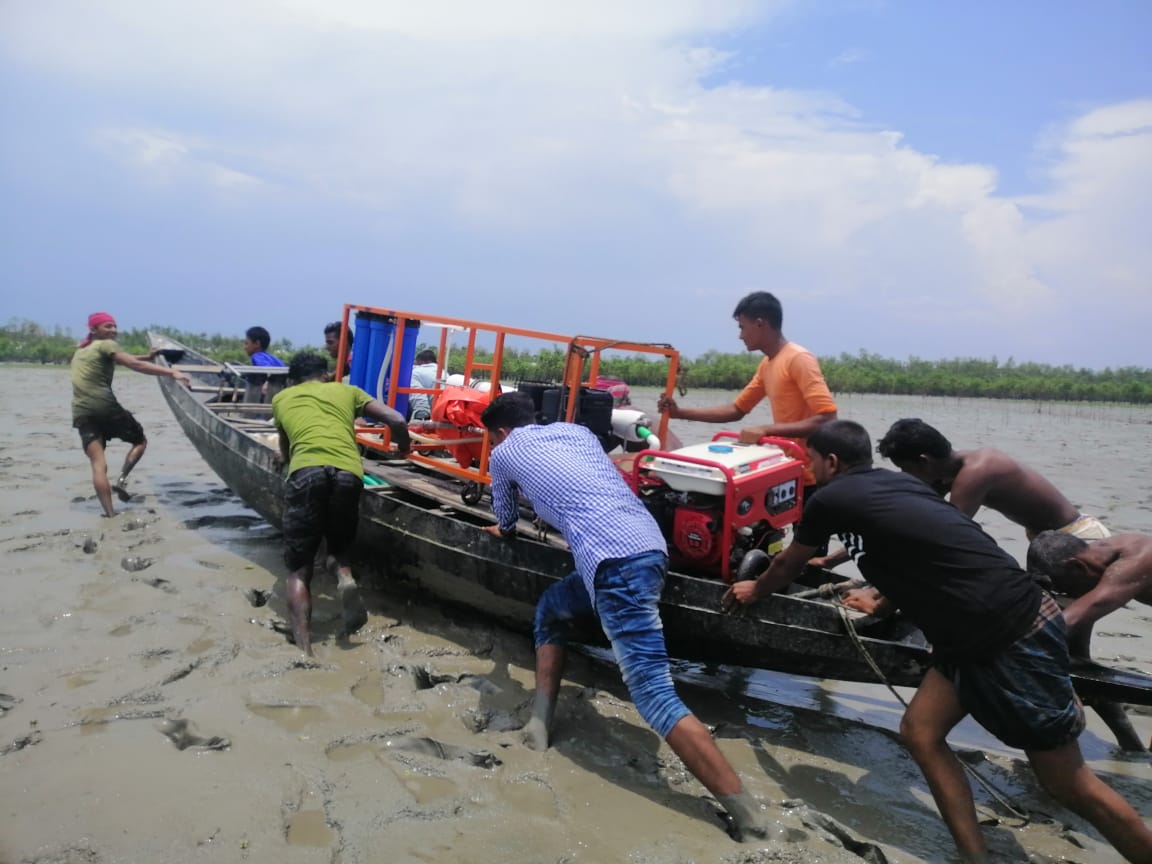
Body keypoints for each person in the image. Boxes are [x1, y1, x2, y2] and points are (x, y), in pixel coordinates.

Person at [725, 420, 1152, 863]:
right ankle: (973, 856)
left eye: (811, 461)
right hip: (967, 636)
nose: (809, 470)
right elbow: (922, 552)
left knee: (1069, 783)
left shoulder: (831, 499)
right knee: (920, 733)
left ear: (831, 462)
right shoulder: (899, 489)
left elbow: (789, 565)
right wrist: (884, 606)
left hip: (1010, 629)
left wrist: (753, 590)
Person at [480, 392, 771, 842]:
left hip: (615, 565)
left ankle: (750, 817)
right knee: (552, 611)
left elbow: (504, 518)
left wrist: (503, 523)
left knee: (654, 695)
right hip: (650, 547)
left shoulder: (503, 454)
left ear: (500, 432)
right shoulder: (576, 432)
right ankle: (538, 724)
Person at [271, 351, 410, 656]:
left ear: (293, 380)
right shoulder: (346, 390)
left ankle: (305, 649)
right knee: (338, 549)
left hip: (306, 472)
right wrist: (404, 446)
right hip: (348, 474)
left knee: (299, 568)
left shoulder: (282, 398)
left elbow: (286, 443)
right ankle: (344, 577)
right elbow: (396, 418)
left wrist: (284, 459)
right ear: (326, 374)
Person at [656, 291, 837, 495]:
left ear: (760, 324)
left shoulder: (798, 359)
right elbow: (736, 409)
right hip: (790, 469)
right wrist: (680, 413)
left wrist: (766, 430)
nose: (740, 336)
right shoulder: (767, 364)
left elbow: (827, 419)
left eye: (742, 327)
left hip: (813, 474)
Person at [876, 418, 1109, 540]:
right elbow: (912, 517)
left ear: (924, 461)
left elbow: (942, 532)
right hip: (1042, 538)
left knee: (1066, 622)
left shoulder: (977, 472)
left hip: (1075, 536)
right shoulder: (945, 474)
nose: (905, 477)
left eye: (905, 469)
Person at [71, 312, 191, 517]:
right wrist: (172, 372)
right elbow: (135, 365)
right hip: (105, 407)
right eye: (108, 326)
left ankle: (110, 514)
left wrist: (147, 356)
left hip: (81, 412)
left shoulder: (81, 350)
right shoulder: (106, 345)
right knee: (140, 440)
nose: (114, 330)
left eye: (115, 326)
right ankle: (122, 480)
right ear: (94, 330)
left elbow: (125, 359)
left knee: (98, 465)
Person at [1027, 531, 1152, 647]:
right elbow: (1084, 611)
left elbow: (1093, 606)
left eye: (1067, 589)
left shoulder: (1138, 556)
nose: (1068, 595)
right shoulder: (1096, 558)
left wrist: (1022, 641)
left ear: (1077, 566)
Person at [407, 349, 438, 420]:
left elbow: (418, 395)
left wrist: (421, 413)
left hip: (427, 414)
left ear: (421, 362)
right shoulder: (444, 373)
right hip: (447, 411)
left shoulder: (415, 372)